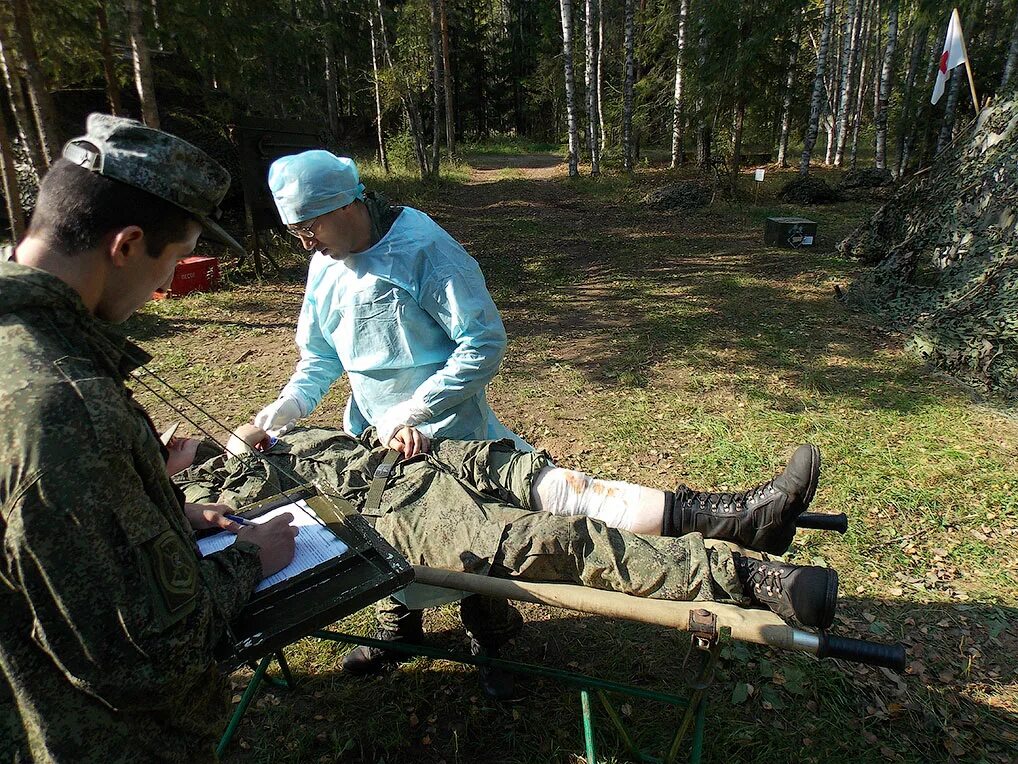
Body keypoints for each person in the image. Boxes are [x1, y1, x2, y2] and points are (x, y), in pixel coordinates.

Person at [0, 114, 300, 763]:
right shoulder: (64, 408)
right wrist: (252, 558)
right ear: (128, 244)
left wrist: (166, 513)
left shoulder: (20, 348)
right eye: (172, 259)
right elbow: (144, 658)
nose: (166, 286)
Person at [177, 424, 838, 690]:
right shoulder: (209, 499)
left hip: (418, 460)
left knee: (560, 486)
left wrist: (396, 431)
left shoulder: (268, 434)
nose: (181, 435)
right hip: (399, 518)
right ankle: (750, 574)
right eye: (170, 445)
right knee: (554, 541)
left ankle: (741, 519)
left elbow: (346, 436)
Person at [253, 151, 528, 452]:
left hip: (449, 434)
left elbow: (483, 342)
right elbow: (322, 353)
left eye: (309, 227)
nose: (307, 243)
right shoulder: (326, 264)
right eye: (294, 231)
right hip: (375, 433)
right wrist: (295, 399)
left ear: (343, 204)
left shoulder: (422, 249)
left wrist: (417, 408)